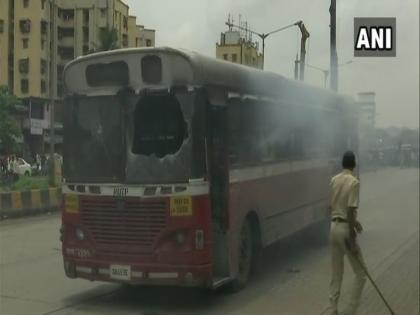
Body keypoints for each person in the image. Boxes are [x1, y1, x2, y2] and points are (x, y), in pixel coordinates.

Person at [327, 151, 366, 315]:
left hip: (333, 228)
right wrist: (352, 234)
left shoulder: (334, 180)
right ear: (354, 165)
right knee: (361, 273)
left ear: (342, 164)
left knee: (336, 274)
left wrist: (354, 222)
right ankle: (351, 309)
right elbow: (350, 209)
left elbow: (333, 207)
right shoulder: (354, 182)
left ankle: (332, 309)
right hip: (344, 231)